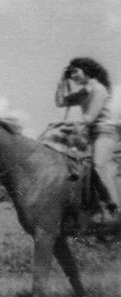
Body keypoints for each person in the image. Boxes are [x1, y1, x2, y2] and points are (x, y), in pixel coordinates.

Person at [55, 57, 120, 223]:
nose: (73, 75)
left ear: (87, 70)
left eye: (75, 71)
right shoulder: (85, 91)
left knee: (98, 165)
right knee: (72, 165)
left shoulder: (98, 89)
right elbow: (61, 102)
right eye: (70, 73)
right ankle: (93, 208)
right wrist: (61, 83)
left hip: (105, 132)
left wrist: (66, 123)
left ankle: (117, 208)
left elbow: (89, 118)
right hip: (89, 134)